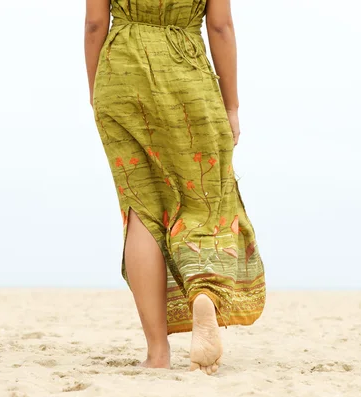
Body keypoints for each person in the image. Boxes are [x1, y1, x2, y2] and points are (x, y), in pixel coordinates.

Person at [84, 0, 266, 375]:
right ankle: (203, 293)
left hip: (120, 73)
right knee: (204, 201)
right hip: (188, 74)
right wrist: (231, 106)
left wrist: (97, 90)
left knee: (141, 207)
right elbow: (220, 27)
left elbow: (94, 24)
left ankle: (157, 354)